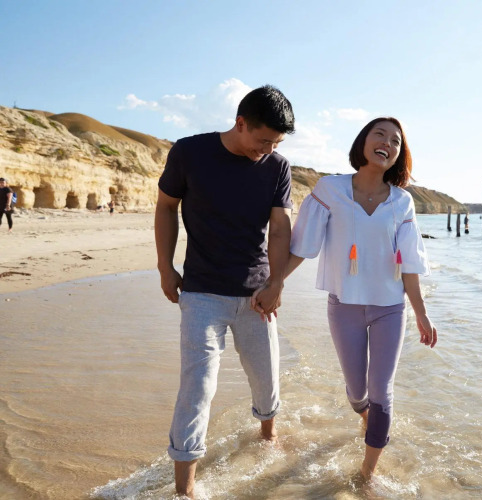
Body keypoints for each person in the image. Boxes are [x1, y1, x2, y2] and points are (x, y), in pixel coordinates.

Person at [270, 117, 437, 481]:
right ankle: (364, 417)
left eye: (395, 141)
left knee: (381, 391)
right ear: (363, 141)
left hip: (390, 309)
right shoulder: (330, 189)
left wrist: (421, 313)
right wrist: (275, 282)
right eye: (380, 134)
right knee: (357, 393)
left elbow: (410, 263)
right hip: (344, 306)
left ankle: (367, 474)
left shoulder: (402, 202)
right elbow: (304, 245)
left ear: (399, 154)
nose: (387, 143)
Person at [154, 85, 295, 498]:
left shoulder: (277, 166)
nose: (267, 150)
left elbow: (280, 228)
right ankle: (185, 489)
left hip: (256, 295)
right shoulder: (189, 152)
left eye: (276, 143)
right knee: (197, 387)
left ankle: (268, 437)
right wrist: (165, 266)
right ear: (240, 123)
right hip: (202, 293)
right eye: (263, 140)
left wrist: (276, 284)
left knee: (266, 380)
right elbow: (165, 206)